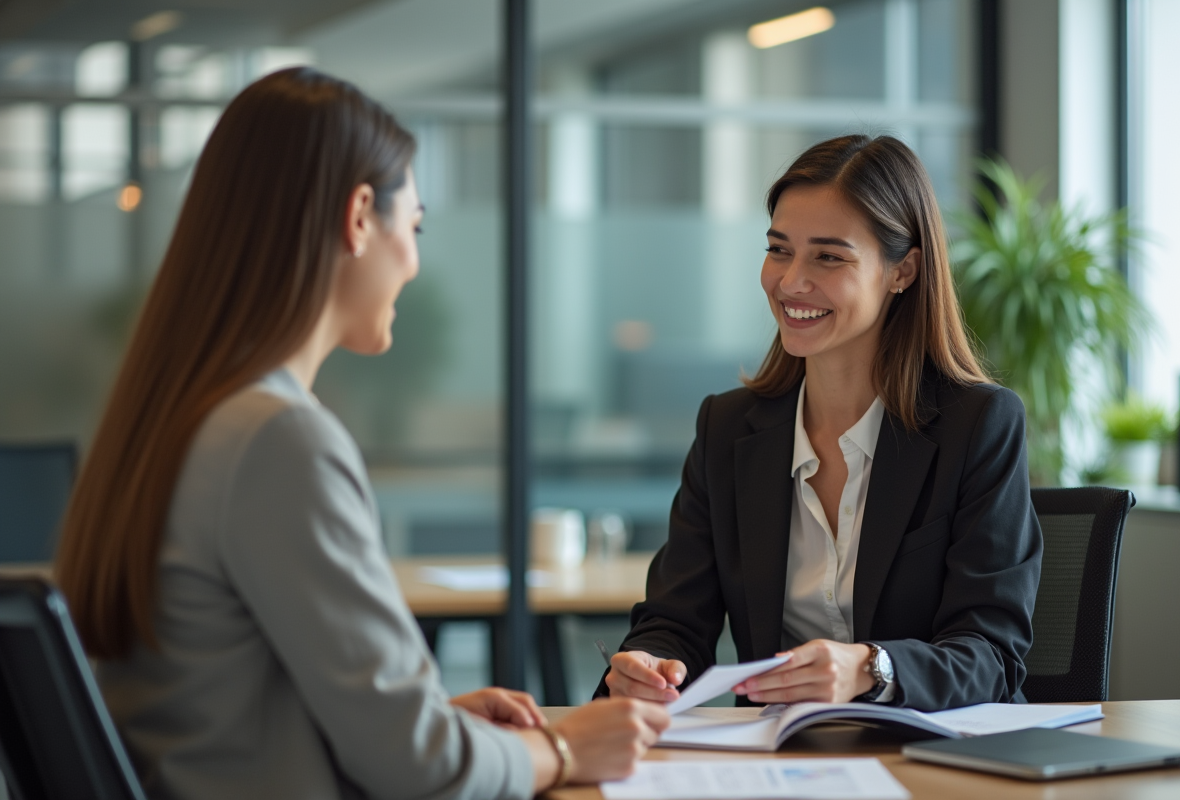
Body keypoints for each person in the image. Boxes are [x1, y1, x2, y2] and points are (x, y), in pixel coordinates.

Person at [54, 68, 667, 800]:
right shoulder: (277, 441)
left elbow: (225, 707)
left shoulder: (179, 420)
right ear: (358, 216)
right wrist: (564, 750)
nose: (412, 262)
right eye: (414, 227)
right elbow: (418, 768)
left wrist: (431, 720)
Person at [597, 135, 1043, 712]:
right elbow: (676, 620)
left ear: (902, 270)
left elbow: (991, 654)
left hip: (932, 760)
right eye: (779, 249)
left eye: (828, 256)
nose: (790, 282)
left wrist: (870, 667)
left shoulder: (977, 425)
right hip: (780, 760)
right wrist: (651, 665)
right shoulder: (728, 429)